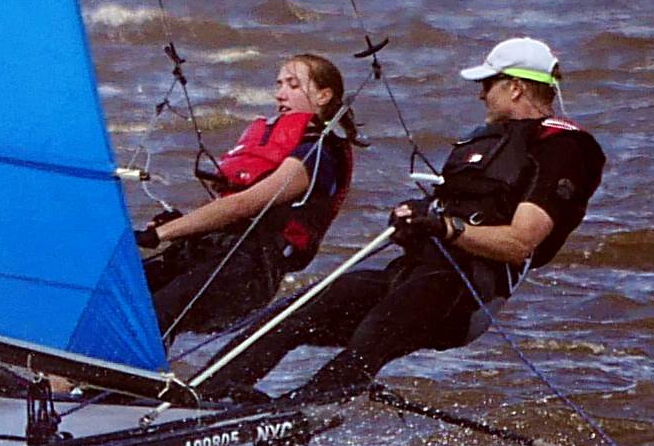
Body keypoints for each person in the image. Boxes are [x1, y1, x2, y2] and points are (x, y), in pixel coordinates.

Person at [203, 36, 604, 405]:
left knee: (374, 334)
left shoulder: (565, 148)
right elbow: (451, 211)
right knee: (295, 313)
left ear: (515, 87)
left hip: (466, 293)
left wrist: (444, 227)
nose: (481, 93)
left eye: (488, 83)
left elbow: (520, 243)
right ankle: (197, 397)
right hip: (412, 272)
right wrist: (417, 216)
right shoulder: (485, 140)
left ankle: (297, 419)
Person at [133, 54, 360, 335]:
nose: (280, 94)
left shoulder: (317, 156)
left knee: (153, 315)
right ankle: (80, 372)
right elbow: (227, 211)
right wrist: (179, 227)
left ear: (323, 95)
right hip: (217, 254)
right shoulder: (285, 143)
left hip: (249, 274)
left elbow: (243, 204)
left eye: (293, 85)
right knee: (122, 290)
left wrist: (160, 234)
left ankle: (132, 371)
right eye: (279, 85)